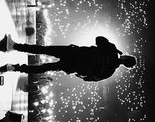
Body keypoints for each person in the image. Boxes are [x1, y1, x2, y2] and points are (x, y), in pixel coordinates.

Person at [0, 35, 136, 81]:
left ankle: (15, 46)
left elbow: (98, 39)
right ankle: (14, 68)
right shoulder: (110, 72)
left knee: (44, 50)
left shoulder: (112, 50)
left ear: (126, 57)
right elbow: (89, 79)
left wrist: (114, 49)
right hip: (72, 66)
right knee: (44, 68)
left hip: (74, 53)